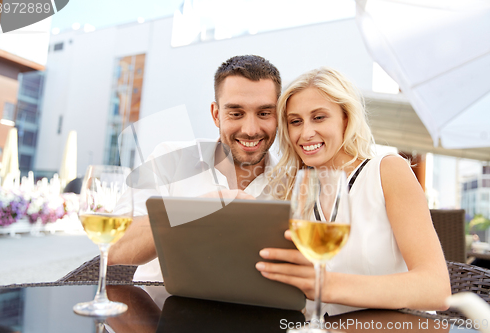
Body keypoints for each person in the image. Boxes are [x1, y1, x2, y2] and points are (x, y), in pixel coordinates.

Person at [255, 67, 451, 315]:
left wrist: (327, 285)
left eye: (319, 117)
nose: (305, 133)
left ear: (346, 119)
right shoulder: (293, 191)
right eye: (296, 121)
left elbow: (436, 288)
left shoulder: (386, 171)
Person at [108, 55, 281, 282]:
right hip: (157, 312)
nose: (250, 129)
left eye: (264, 113)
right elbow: (114, 247)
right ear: (216, 114)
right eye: (236, 113)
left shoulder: (295, 181)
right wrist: (196, 210)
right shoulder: (169, 159)